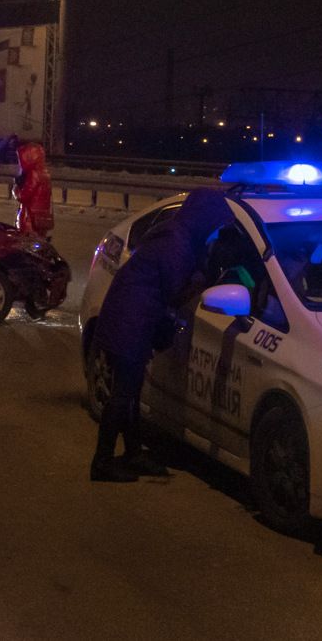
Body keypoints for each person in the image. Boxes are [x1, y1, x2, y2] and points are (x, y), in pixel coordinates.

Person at [89, 189, 235, 482]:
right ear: (202, 218)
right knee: (123, 395)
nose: (214, 231)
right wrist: (206, 278)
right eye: (214, 223)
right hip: (130, 322)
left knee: (130, 392)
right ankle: (102, 461)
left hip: (130, 319)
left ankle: (132, 453)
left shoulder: (177, 236)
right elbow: (174, 291)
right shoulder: (176, 245)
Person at [11, 141, 54, 238]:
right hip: (41, 217)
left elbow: (23, 196)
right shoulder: (44, 172)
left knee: (27, 245)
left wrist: (16, 188)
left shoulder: (33, 174)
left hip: (30, 218)